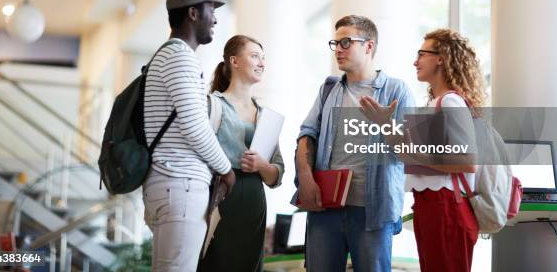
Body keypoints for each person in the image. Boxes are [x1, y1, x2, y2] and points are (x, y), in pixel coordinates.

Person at [293, 15, 415, 272]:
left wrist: (386, 125)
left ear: (369, 46)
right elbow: (307, 133)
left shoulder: (397, 90)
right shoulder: (329, 88)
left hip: (373, 212)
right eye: (335, 43)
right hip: (325, 207)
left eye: (346, 42)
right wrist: (305, 177)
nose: (338, 49)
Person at [361, 28, 484, 272]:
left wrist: (413, 152)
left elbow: (468, 161)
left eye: (421, 54)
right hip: (431, 203)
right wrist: (385, 125)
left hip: (446, 205)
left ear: (441, 57)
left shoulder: (450, 102)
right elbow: (409, 154)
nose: (415, 61)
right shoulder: (434, 104)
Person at [142, 0, 236, 272]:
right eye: (211, 10)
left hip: (168, 184)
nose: (216, 19)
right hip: (180, 186)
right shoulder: (179, 57)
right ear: (193, 13)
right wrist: (226, 169)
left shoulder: (167, 56)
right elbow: (195, 126)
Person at [198, 34, 285, 272]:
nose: (261, 63)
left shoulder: (266, 116)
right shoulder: (211, 105)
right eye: (255, 56)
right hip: (221, 201)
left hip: (254, 206)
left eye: (263, 58)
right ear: (234, 61)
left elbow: (277, 174)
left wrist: (261, 166)